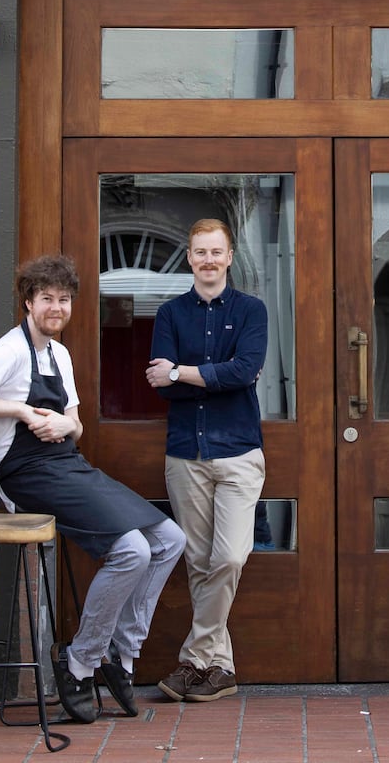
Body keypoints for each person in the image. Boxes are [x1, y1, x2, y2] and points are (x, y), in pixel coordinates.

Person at [0, 254, 186, 724]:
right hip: (26, 474)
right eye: (47, 298)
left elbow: (76, 425)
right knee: (132, 549)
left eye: (64, 299)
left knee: (170, 539)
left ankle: (121, 654)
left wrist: (64, 425)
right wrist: (22, 412)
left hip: (66, 463)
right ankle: (79, 662)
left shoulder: (60, 354)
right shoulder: (10, 350)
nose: (57, 307)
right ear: (28, 302)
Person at [146, 218, 267, 703]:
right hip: (186, 455)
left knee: (230, 556)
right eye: (200, 252)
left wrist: (183, 371)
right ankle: (222, 669)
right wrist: (194, 375)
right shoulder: (170, 314)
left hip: (239, 454)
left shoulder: (252, 310)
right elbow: (160, 383)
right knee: (198, 561)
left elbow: (245, 370)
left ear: (230, 256)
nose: (209, 260)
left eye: (216, 252)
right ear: (190, 257)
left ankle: (194, 659)